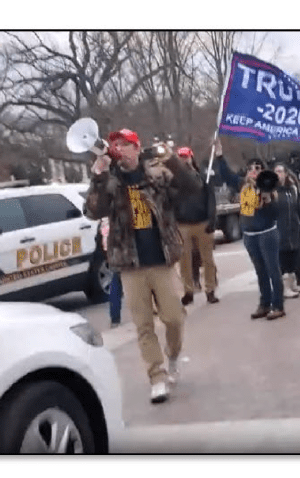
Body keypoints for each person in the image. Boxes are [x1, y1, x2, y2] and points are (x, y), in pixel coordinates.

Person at [84, 128, 201, 404]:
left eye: (125, 145)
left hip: (160, 259)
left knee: (173, 318)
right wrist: (98, 176)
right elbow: (92, 211)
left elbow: (191, 187)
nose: (119, 149)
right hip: (130, 264)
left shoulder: (157, 173)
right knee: (143, 325)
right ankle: (156, 377)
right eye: (115, 145)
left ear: (137, 148)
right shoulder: (111, 181)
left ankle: (172, 355)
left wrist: (171, 159)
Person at [214, 147, 285, 320]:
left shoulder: (268, 187)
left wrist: (267, 198)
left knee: (272, 270)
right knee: (260, 271)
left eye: (257, 168)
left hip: (267, 233)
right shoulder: (242, 186)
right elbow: (227, 175)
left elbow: (276, 211)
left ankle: (278, 305)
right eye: (251, 168)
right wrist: (219, 155)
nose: (253, 171)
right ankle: (264, 303)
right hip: (250, 235)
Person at [171, 146, 220, 305]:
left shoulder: (203, 176)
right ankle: (188, 291)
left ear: (192, 157)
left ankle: (210, 290)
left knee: (208, 260)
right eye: (181, 158)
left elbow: (211, 199)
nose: (184, 160)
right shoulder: (173, 179)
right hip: (183, 224)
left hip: (202, 221)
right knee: (184, 260)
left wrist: (211, 220)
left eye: (186, 157)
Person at [274, 163, 300, 298]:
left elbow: (297, 207)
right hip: (279, 229)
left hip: (293, 228)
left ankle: (293, 284)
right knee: (283, 258)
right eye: (276, 171)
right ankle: (284, 287)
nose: (278, 174)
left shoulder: (291, 189)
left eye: (280, 171)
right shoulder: (273, 191)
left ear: (286, 173)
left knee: (294, 256)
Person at [99, 217, 123, 328]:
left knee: (116, 282)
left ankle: (115, 318)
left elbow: (103, 232)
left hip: (110, 248)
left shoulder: (104, 215)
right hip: (122, 246)